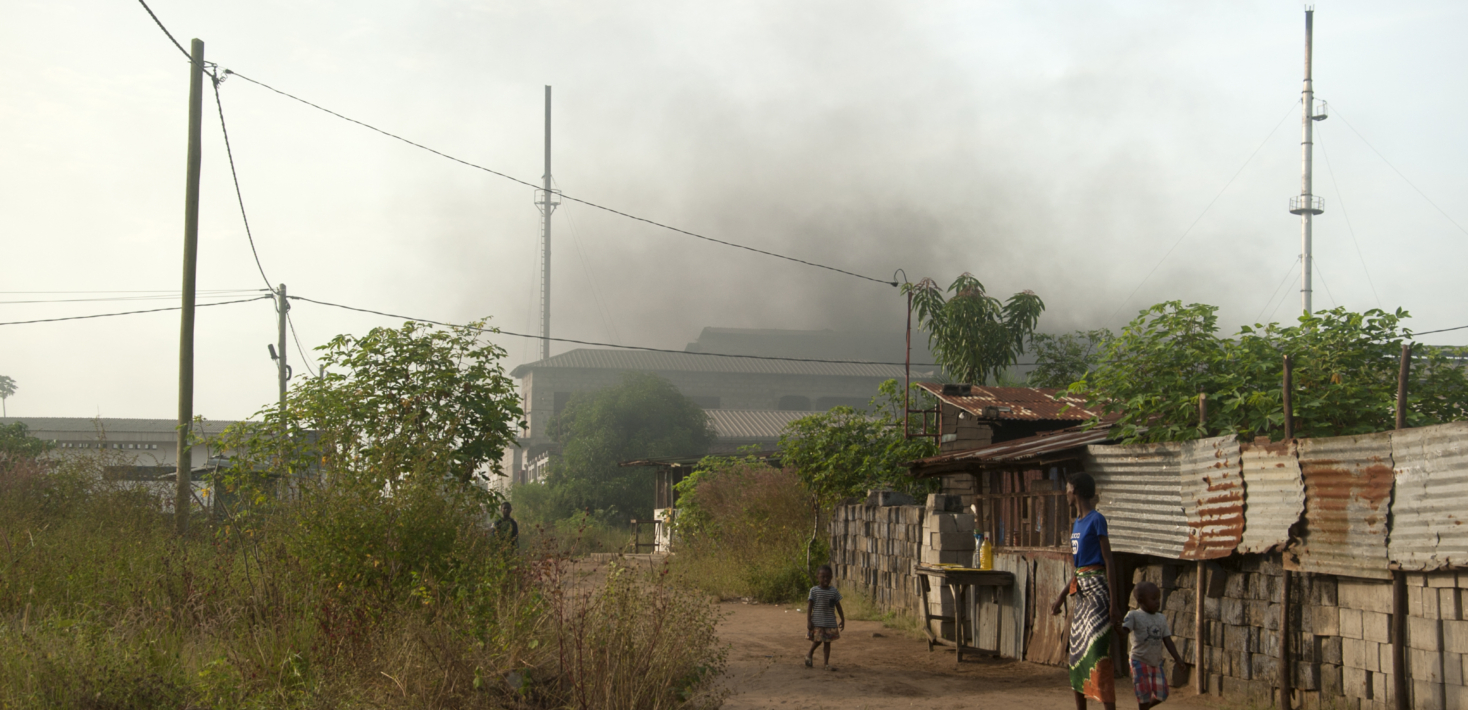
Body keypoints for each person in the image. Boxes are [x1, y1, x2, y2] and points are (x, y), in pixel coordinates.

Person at [1051, 472, 1121, 710]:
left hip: (1098, 593)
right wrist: (1061, 597)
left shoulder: (1096, 520)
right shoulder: (1077, 524)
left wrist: (1113, 603)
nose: (1066, 493)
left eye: (1068, 488)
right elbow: (1078, 568)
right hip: (1081, 593)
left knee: (1098, 656)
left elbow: (1108, 560)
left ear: (1076, 490)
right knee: (1077, 656)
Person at [1122, 581, 1191, 709]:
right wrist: (1117, 627)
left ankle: (1146, 707)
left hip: (1156, 662)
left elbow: (1167, 640)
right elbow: (1123, 632)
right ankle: (1144, 707)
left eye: (1158, 598)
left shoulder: (1161, 618)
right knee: (1143, 694)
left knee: (1162, 693)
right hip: (1139, 660)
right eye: (1153, 599)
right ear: (1141, 600)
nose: (1157, 602)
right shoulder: (1134, 615)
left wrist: (1178, 658)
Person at [805, 564, 845, 671]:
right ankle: (810, 653)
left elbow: (838, 606)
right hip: (817, 621)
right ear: (817, 577)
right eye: (823, 577)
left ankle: (826, 664)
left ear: (831, 577)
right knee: (818, 640)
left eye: (828, 577)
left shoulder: (834, 591)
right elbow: (809, 606)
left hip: (830, 622)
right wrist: (808, 621)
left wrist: (842, 619)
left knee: (827, 642)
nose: (825, 579)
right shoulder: (814, 591)